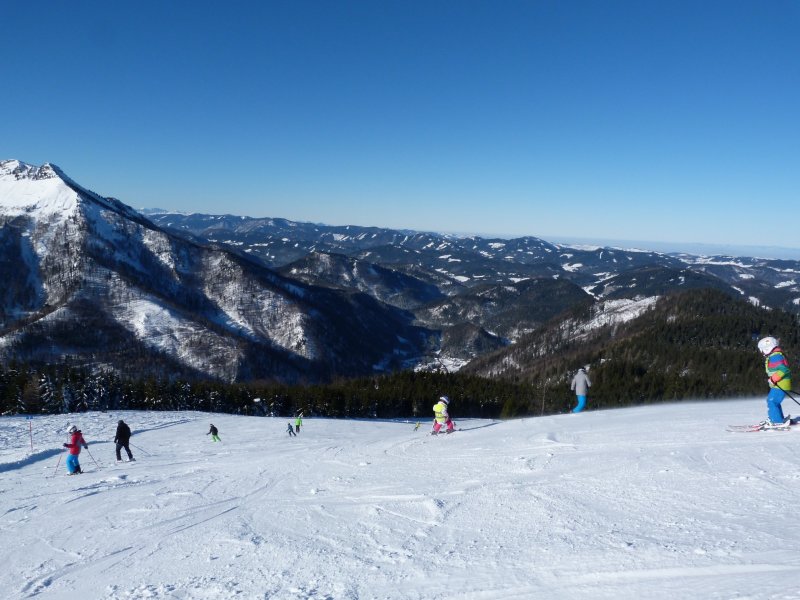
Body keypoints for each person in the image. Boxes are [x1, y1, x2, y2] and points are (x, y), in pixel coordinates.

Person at [757, 336, 792, 428]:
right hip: (780, 383)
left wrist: (773, 379)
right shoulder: (775, 355)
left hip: (781, 383)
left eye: (762, 350)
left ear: (767, 348)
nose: (762, 352)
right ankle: (777, 419)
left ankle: (776, 422)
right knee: (774, 401)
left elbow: (784, 369)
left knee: (772, 401)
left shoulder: (775, 356)